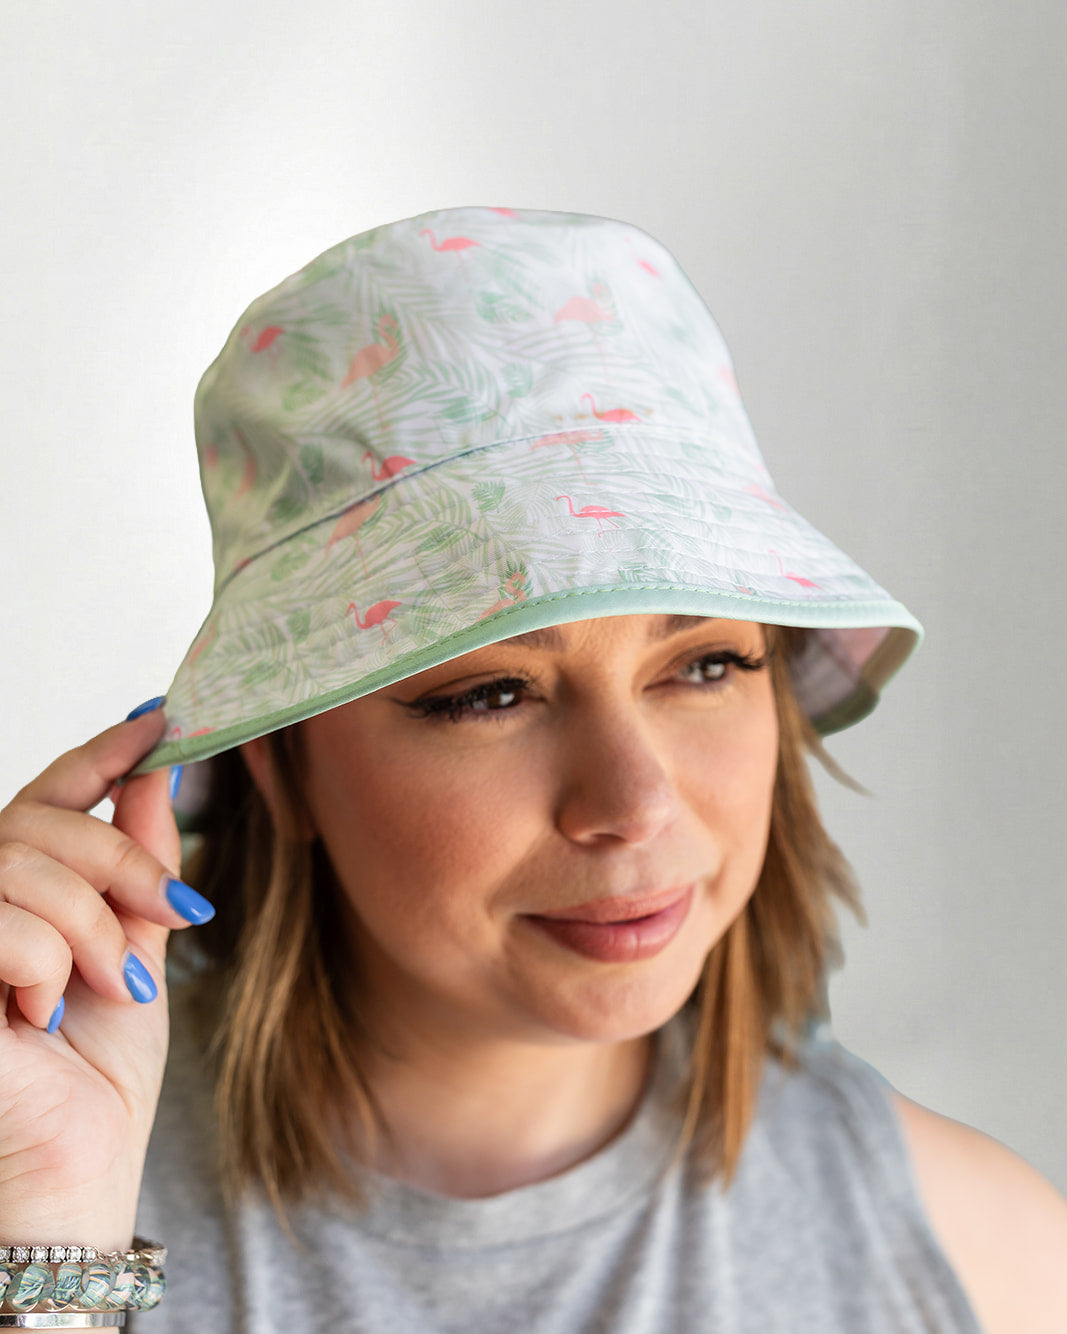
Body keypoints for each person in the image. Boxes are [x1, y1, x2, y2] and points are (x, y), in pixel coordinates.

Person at [0, 207, 1064, 1334]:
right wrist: (49, 1249)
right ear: (280, 762)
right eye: (490, 693)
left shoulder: (982, 1260)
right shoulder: (38, 1171)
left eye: (702, 664)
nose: (634, 802)